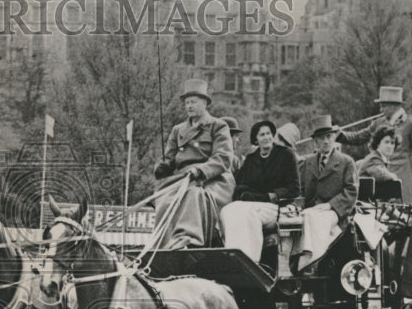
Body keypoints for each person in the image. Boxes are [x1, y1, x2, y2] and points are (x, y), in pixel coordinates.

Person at [151, 78, 235, 249]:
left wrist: (201, 171)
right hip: (183, 178)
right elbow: (170, 156)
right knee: (164, 198)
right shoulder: (178, 130)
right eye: (187, 102)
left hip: (212, 179)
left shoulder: (218, 126)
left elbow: (223, 157)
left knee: (192, 194)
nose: (189, 106)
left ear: (204, 103)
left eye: (193, 102)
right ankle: (162, 244)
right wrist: (163, 167)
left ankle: (188, 238)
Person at [282, 115, 357, 272]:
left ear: (334, 138)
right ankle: (289, 260)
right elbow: (301, 190)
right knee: (292, 220)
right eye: (321, 138)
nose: (326, 141)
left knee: (311, 217)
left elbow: (351, 191)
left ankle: (310, 257)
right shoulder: (308, 162)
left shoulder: (346, 162)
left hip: (335, 212)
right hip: (311, 210)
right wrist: (294, 206)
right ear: (315, 142)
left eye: (329, 137)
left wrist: (330, 205)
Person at [220, 120, 300, 264]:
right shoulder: (251, 159)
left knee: (248, 213)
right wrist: (245, 194)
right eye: (262, 135)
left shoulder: (285, 155)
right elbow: (240, 184)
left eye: (269, 133)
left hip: (277, 206)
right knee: (228, 210)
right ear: (256, 139)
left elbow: (294, 188)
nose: (266, 137)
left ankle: (250, 260)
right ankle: (232, 256)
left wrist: (271, 196)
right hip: (254, 203)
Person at [337, 86, 412, 206]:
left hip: (404, 179)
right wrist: (339, 135)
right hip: (381, 177)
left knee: (406, 212)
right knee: (381, 213)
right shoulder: (379, 122)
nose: (381, 109)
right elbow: (358, 137)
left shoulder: (411, 124)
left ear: (394, 106)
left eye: (384, 106)